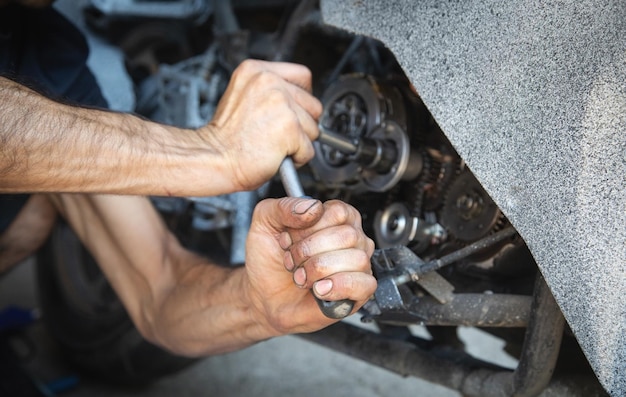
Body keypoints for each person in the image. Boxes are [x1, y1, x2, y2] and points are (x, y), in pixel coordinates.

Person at [0, 1, 376, 356]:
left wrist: (257, 305)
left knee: (32, 214)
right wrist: (212, 150)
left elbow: (159, 294)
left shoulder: (46, 60)